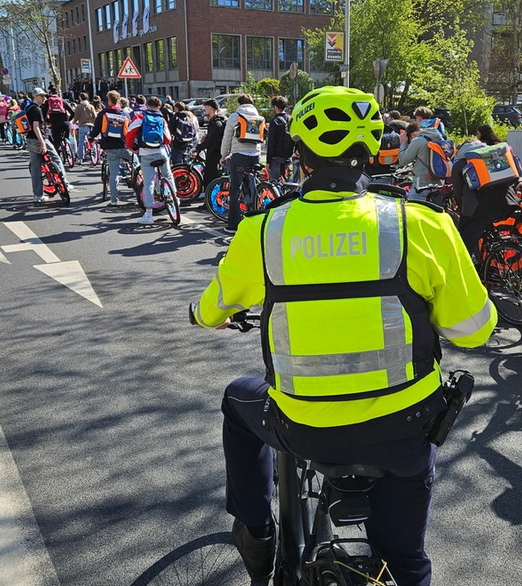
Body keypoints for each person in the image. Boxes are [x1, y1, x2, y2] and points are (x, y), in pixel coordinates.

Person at [191, 86, 497, 586]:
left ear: (299, 153)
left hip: (302, 424)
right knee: (406, 559)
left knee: (236, 400)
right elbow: (475, 329)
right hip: (406, 429)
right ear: (373, 149)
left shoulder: (264, 230)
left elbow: (209, 311)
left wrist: (204, 315)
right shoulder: (419, 224)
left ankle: (258, 531)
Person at [125, 96, 176, 224]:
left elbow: (130, 133)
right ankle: (174, 198)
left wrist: (132, 148)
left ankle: (148, 215)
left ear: (147, 105)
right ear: (159, 107)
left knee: (148, 183)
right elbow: (168, 139)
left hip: (145, 153)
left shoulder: (140, 117)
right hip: (161, 152)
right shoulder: (162, 119)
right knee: (168, 175)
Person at [220, 94, 263, 234]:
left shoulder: (235, 116)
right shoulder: (258, 117)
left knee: (235, 189)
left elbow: (227, 138)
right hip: (255, 155)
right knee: (253, 188)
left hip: (239, 156)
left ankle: (233, 225)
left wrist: (223, 155)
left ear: (239, 103)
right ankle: (256, 219)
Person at [25, 87, 72, 204]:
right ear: (35, 97)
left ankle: (38, 195)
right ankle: (65, 183)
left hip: (30, 140)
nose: (44, 98)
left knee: (36, 168)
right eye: (42, 96)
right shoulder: (36, 110)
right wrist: (42, 143)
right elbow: (36, 127)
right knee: (56, 158)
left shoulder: (28, 108)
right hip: (38, 140)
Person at [89, 90, 132, 206]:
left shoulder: (103, 113)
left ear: (108, 100)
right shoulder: (124, 114)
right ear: (118, 101)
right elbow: (131, 130)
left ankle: (113, 200)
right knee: (137, 165)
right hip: (124, 146)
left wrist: (91, 137)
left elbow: (96, 129)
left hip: (110, 147)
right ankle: (139, 186)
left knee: (113, 174)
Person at [397, 118, 446, 200]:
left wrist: (403, 144)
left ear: (411, 135)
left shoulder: (417, 141)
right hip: (439, 185)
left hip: (421, 187)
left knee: (413, 210)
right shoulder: (440, 139)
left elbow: (403, 161)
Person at [195, 99, 225, 188]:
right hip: (213, 154)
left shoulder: (216, 123)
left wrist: (198, 147)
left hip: (215, 155)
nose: (205, 110)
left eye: (206, 107)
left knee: (211, 179)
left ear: (210, 108)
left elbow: (210, 141)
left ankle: (211, 200)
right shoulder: (215, 122)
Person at [265, 95, 293, 180]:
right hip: (288, 156)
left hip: (276, 157)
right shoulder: (290, 119)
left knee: (274, 183)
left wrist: (268, 161)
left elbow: (271, 142)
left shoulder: (275, 121)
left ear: (276, 107)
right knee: (286, 182)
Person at [42, 87, 75, 157]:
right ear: (58, 93)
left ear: (50, 93)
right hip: (65, 122)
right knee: (67, 137)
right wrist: (68, 120)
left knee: (56, 141)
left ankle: (59, 154)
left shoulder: (48, 102)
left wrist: (48, 121)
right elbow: (72, 112)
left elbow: (43, 114)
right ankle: (68, 147)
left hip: (54, 123)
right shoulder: (63, 101)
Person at [169, 101, 198, 165]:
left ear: (176, 108)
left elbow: (170, 131)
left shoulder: (174, 118)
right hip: (188, 144)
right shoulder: (189, 117)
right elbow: (194, 131)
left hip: (177, 144)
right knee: (186, 165)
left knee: (176, 166)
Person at [73, 93, 97, 164]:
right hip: (90, 125)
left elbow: (76, 117)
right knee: (92, 141)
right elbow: (95, 116)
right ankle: (94, 155)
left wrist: (73, 122)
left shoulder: (78, 107)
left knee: (81, 142)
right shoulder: (91, 106)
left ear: (80, 98)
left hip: (82, 125)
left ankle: (80, 158)